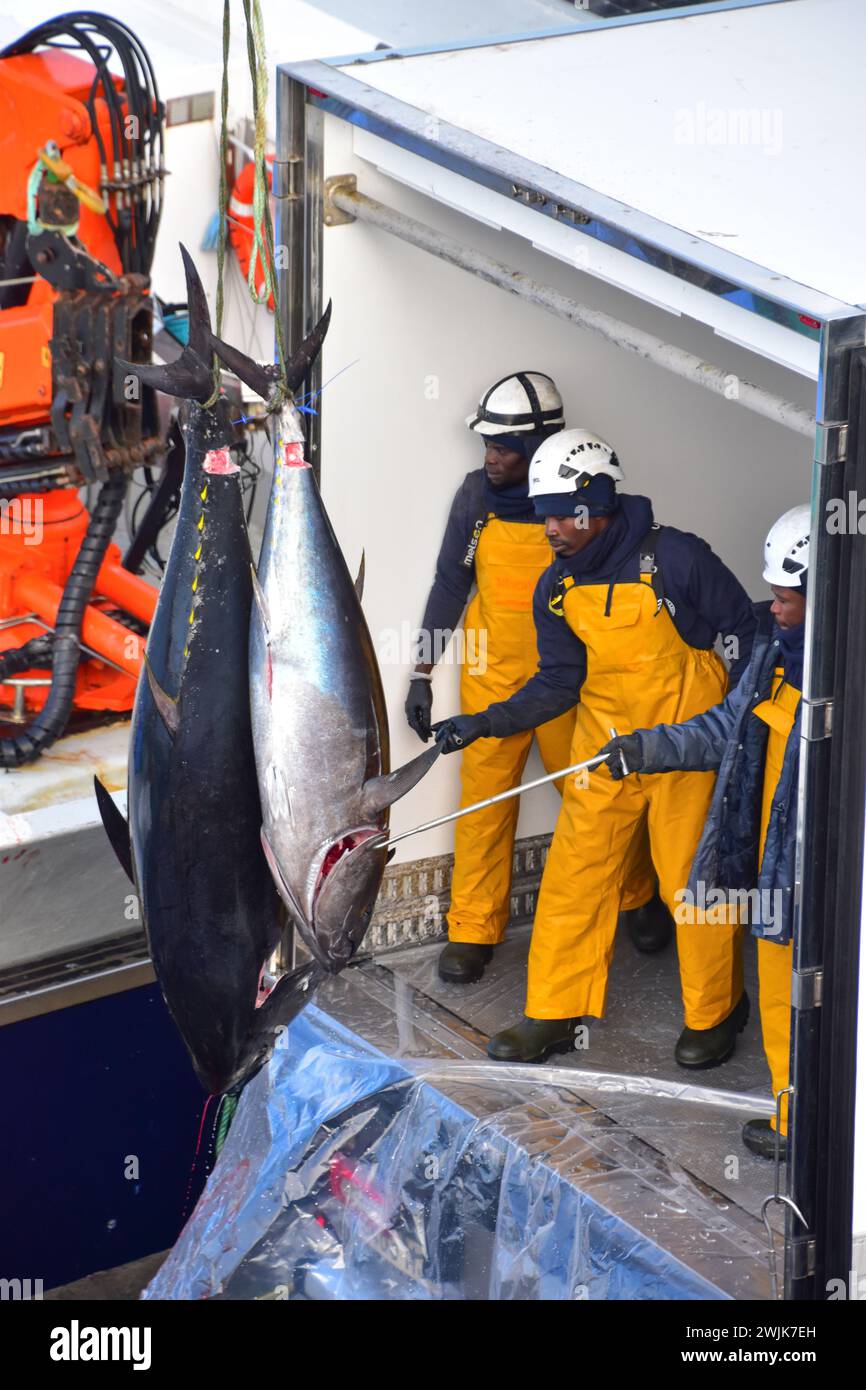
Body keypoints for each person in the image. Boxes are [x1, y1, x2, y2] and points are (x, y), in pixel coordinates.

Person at [434, 428, 757, 1066]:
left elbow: (746, 634)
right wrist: (487, 722)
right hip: (604, 750)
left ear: (597, 503)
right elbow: (559, 682)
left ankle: (715, 1012)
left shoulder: (677, 559)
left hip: (681, 751)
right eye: (542, 513)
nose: (547, 527)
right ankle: (552, 1013)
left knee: (692, 887)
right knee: (572, 880)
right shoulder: (555, 587)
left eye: (558, 514)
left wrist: (735, 732)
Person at [406, 376, 671, 988]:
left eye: (503, 448)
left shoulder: (582, 503)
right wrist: (422, 669)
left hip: (568, 684)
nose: (490, 458)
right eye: (487, 446)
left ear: (541, 444)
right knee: (483, 805)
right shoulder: (475, 498)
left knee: (594, 793)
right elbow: (452, 582)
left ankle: (635, 894)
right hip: (492, 679)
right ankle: (472, 929)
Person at [598, 505, 809, 1159]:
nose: (771, 610)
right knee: (780, 988)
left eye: (785, 599)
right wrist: (645, 748)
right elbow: (721, 730)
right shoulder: (773, 655)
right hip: (770, 868)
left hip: (824, 869)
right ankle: (791, 1118)